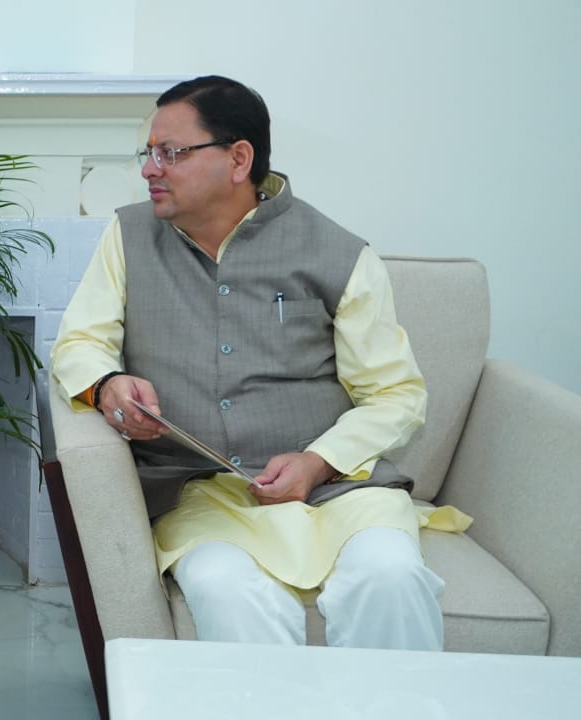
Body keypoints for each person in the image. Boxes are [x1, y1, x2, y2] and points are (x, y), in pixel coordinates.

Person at [51, 75, 448, 650]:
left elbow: (397, 395)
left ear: (239, 159)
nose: (150, 170)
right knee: (224, 588)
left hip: (339, 492)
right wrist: (108, 383)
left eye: (171, 153)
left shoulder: (339, 253)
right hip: (200, 493)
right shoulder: (128, 235)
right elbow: (78, 342)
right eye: (148, 153)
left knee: (391, 576)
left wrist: (318, 462)